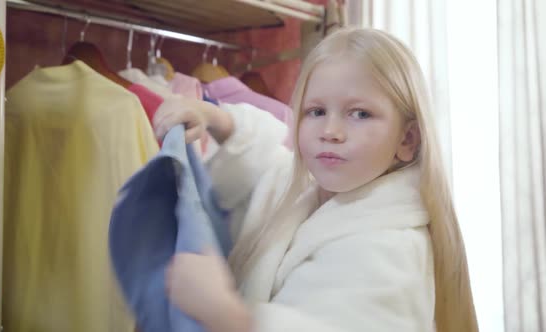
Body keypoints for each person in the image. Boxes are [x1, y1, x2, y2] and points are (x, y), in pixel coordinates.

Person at [154, 28, 478, 332]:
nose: (330, 132)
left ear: (407, 139)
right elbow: (271, 159)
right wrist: (215, 117)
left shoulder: (390, 250)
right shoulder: (314, 195)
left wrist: (221, 309)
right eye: (316, 111)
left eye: (360, 113)